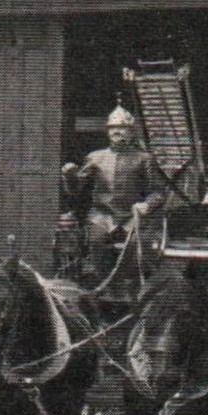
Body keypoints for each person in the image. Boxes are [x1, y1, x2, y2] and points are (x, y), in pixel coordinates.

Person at [60, 103, 166, 283]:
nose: (118, 131)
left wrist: (146, 205)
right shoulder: (95, 157)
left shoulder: (144, 159)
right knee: (96, 241)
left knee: (135, 245)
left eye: (123, 128)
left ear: (131, 132)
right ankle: (103, 285)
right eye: (114, 128)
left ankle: (130, 285)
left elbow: (157, 192)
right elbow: (75, 190)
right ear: (108, 132)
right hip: (103, 215)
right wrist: (69, 175)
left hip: (132, 216)